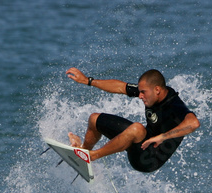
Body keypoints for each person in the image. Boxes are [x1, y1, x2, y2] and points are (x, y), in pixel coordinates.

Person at [65, 67, 200, 173]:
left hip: (148, 159)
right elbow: (121, 87)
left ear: (157, 90)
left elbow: (194, 123)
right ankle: (84, 154)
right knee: (94, 119)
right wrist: (88, 81)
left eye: (143, 92)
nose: (140, 96)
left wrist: (163, 137)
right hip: (141, 143)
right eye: (139, 92)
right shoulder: (151, 92)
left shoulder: (174, 105)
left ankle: (92, 155)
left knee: (137, 128)